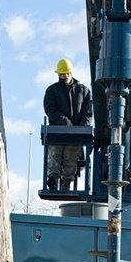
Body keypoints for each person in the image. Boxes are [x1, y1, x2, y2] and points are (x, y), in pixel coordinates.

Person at [43, 58, 92, 191]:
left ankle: (67, 183)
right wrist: (65, 122)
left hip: (75, 134)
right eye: (62, 74)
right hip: (57, 132)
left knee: (71, 158)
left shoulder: (83, 90)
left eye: (66, 74)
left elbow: (88, 110)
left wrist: (82, 126)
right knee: (54, 156)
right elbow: (49, 109)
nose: (64, 77)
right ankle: (53, 180)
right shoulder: (52, 90)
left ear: (71, 73)